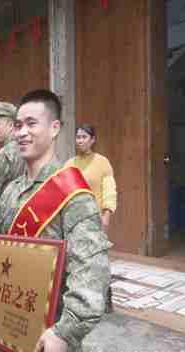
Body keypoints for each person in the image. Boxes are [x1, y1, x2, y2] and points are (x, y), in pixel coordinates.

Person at [0, 89, 110, 352]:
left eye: (32, 124)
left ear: (54, 128)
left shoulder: (74, 195)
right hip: (10, 333)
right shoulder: (11, 192)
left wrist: (65, 333)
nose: (22, 132)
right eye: (19, 125)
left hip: (52, 345)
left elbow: (91, 276)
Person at [64, 124, 117, 312]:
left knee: (99, 258)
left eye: (84, 137)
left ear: (93, 140)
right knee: (76, 259)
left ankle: (106, 296)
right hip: (74, 220)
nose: (80, 141)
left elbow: (109, 190)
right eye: (78, 137)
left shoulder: (102, 162)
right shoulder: (70, 164)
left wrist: (107, 214)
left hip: (95, 218)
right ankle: (79, 298)